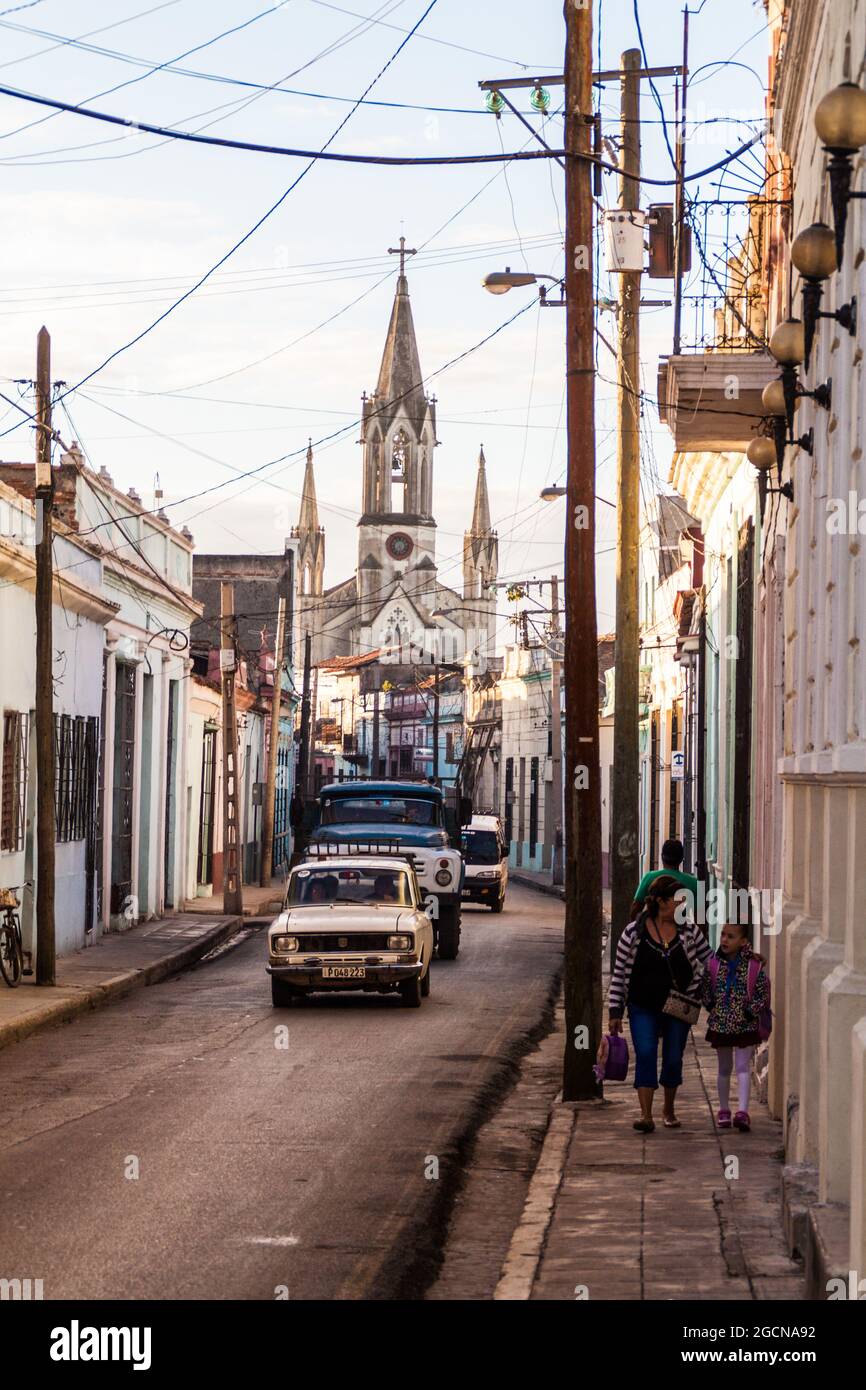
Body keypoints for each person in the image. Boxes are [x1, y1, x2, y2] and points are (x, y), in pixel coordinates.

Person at [609, 875, 710, 1133]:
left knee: (674, 1057)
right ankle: (645, 1114)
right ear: (660, 901)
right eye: (677, 901)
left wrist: (741, 959)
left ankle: (668, 1109)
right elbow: (619, 974)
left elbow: (710, 961)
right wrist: (615, 1011)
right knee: (645, 1052)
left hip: (678, 1006)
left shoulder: (689, 931)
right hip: (642, 1005)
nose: (682, 905)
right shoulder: (634, 933)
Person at [701, 922, 770, 1133]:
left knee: (742, 1068)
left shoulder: (753, 966)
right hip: (721, 1025)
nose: (724, 940)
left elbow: (763, 993)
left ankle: (742, 1112)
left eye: (730, 936)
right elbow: (705, 989)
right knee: (723, 1069)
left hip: (745, 1026)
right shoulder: (713, 964)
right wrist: (711, 1005)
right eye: (723, 935)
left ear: (743, 942)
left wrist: (751, 1011)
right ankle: (723, 1110)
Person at [629, 838, 699, 922]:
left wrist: (636, 929)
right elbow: (700, 918)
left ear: (662, 856)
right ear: (681, 859)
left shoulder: (649, 877)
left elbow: (635, 908)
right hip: (683, 929)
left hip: (653, 929)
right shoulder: (694, 883)